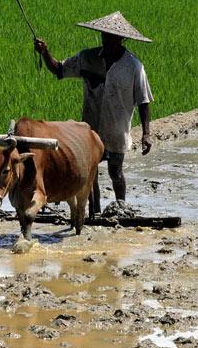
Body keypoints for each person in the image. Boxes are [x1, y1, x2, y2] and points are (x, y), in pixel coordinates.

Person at [34, 11, 153, 213]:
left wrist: (146, 133)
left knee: (116, 172)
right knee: (90, 175)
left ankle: (120, 209)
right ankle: (93, 213)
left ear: (122, 39)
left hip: (116, 131)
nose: (107, 40)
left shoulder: (134, 67)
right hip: (89, 133)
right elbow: (59, 70)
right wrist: (45, 53)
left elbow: (144, 101)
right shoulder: (86, 58)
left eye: (112, 37)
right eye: (105, 35)